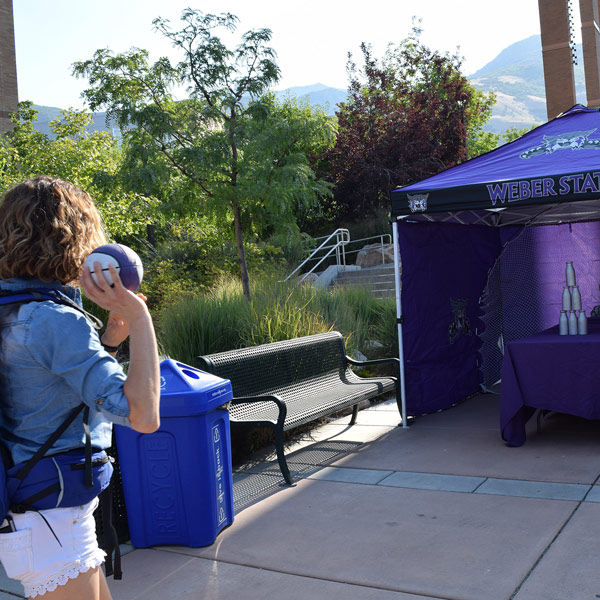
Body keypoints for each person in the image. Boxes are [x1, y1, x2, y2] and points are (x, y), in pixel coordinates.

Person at [0, 176, 160, 599]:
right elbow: (142, 416)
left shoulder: (15, 309)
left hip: (37, 511)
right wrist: (141, 321)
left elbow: (41, 387)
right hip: (54, 521)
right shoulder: (56, 320)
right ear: (77, 241)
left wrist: (108, 341)